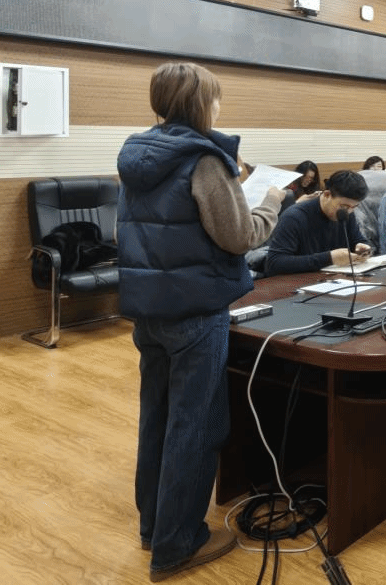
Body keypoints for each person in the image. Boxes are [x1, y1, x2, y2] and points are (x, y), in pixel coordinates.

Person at [116, 61, 284, 580]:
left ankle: (154, 528)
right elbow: (239, 237)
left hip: (150, 310)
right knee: (196, 426)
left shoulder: (138, 155)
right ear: (199, 104)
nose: (219, 105)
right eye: (214, 97)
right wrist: (271, 203)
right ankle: (178, 544)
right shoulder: (205, 159)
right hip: (195, 311)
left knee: (158, 419)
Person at [263, 169, 372, 277]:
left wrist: (362, 248)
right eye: (344, 206)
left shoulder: (347, 213)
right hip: (299, 281)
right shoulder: (294, 217)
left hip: (335, 279)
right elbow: (275, 263)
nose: (349, 211)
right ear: (327, 194)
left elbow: (357, 240)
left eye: (354, 207)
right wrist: (329, 258)